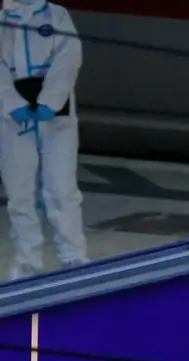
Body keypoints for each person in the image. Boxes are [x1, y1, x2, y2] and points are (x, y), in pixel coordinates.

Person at [0, 0, 86, 281]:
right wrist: (11, 102)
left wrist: (51, 98)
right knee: (20, 192)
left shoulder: (56, 15)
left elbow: (69, 56)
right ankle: (27, 260)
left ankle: (73, 257)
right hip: (14, 119)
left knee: (61, 188)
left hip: (56, 118)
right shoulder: (3, 20)